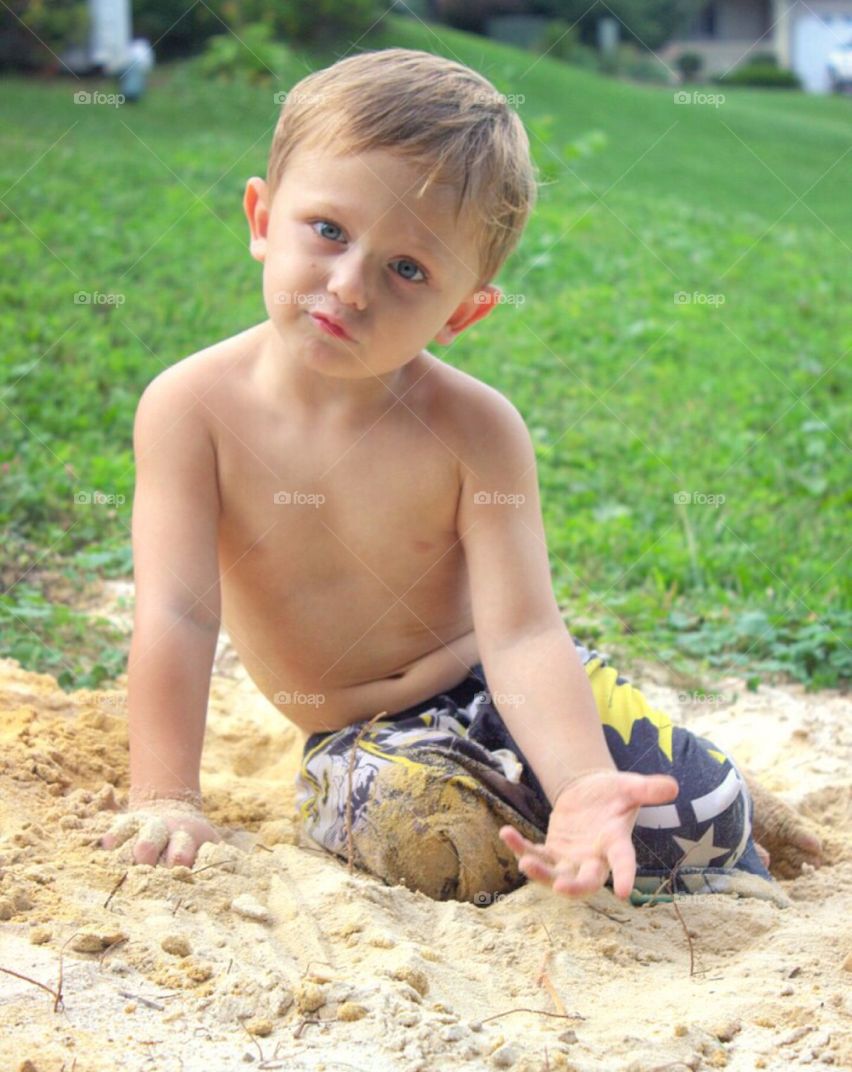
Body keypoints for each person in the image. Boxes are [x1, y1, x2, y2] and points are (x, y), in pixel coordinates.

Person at [102, 48, 821, 905]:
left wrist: (587, 782)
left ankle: (719, 794)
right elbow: (178, 615)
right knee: (427, 833)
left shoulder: (478, 431)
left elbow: (523, 635)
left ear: (463, 311)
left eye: (408, 270)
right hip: (356, 732)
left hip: (510, 691)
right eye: (328, 231)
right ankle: (598, 817)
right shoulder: (191, 409)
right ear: (262, 216)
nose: (348, 285)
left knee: (698, 813)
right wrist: (167, 798)